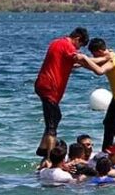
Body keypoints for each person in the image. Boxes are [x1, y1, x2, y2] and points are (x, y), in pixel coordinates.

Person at [80, 38, 115, 165]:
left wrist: (83, 59)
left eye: (94, 53)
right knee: (108, 123)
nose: (93, 56)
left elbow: (99, 71)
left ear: (100, 51)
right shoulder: (107, 56)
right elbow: (95, 61)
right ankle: (106, 151)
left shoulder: (113, 59)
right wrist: (79, 63)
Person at [34, 27, 89, 157]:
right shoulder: (67, 45)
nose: (78, 49)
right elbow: (79, 59)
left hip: (44, 85)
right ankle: (49, 158)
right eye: (79, 45)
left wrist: (83, 64)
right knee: (51, 126)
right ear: (77, 39)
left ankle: (42, 148)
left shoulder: (57, 42)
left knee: (56, 117)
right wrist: (100, 62)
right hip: (49, 88)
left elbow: (72, 63)